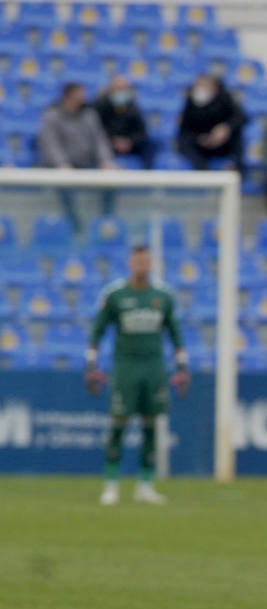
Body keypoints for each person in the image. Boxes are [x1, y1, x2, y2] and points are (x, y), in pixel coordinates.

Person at [84, 245, 190, 506]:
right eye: (137, 260)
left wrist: (182, 366)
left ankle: (145, 484)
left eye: (145, 260)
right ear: (130, 263)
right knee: (119, 422)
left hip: (154, 367)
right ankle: (111, 484)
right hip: (125, 367)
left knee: (151, 424)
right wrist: (91, 364)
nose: (141, 265)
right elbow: (97, 331)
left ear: (151, 264)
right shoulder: (115, 295)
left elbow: (175, 333)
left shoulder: (163, 296)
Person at [36, 81, 116, 230]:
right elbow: (50, 144)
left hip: (87, 164)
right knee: (63, 186)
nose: (82, 99)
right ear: (67, 97)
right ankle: (74, 226)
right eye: (78, 96)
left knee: (111, 181)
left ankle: (103, 223)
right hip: (61, 167)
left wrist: (105, 160)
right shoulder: (51, 116)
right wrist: (62, 164)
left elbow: (99, 140)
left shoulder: (90, 115)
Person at [177, 74, 247, 172]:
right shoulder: (190, 102)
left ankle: (237, 170)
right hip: (201, 144)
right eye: (198, 86)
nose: (200, 89)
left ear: (214, 88)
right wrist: (199, 138)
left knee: (237, 135)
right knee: (185, 142)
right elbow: (184, 130)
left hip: (223, 144)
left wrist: (226, 128)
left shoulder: (224, 99)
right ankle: (204, 171)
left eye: (204, 86)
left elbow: (242, 117)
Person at [93, 76, 155, 170]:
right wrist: (113, 141)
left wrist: (130, 142)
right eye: (118, 89)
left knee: (150, 146)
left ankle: (148, 174)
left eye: (123, 89)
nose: (120, 92)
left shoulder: (133, 107)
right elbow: (96, 130)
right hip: (107, 144)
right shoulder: (100, 106)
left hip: (130, 146)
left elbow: (141, 132)